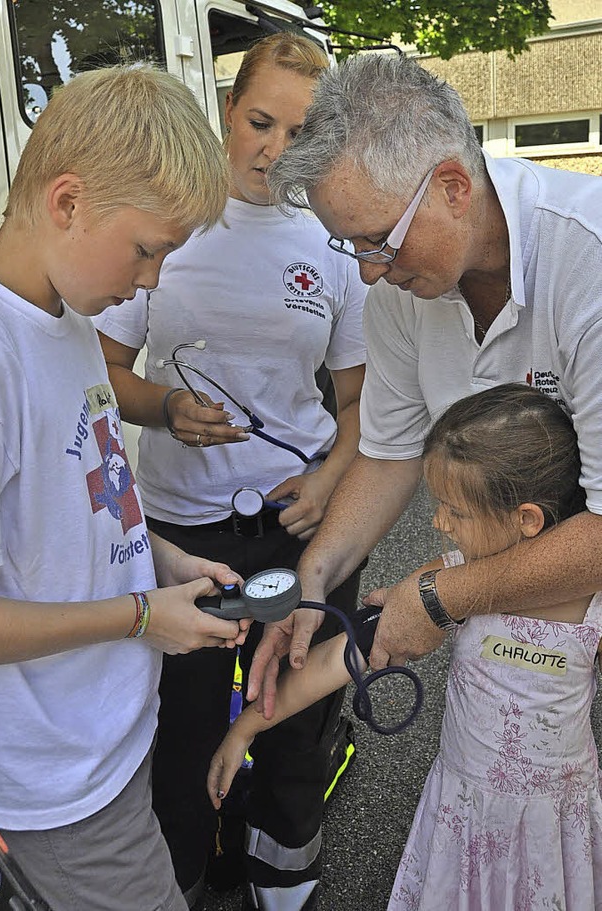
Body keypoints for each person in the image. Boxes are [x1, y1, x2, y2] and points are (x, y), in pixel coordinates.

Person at [0, 63, 253, 911]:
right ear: (67, 202)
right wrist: (137, 617)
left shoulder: (71, 328)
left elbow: (90, 503)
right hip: (54, 785)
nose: (152, 279)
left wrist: (163, 562)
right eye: (148, 248)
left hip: (108, 739)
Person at [94, 32, 367, 911]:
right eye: (258, 122)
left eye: (297, 132)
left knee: (292, 724)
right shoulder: (170, 217)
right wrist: (165, 407)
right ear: (225, 110)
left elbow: (372, 406)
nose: (274, 151)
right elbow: (104, 372)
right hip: (184, 528)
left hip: (301, 529)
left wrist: (328, 483)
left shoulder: (333, 235)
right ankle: (181, 881)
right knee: (181, 734)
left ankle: (282, 888)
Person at [247, 50, 602, 716]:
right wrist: (313, 578)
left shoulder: (589, 262)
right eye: (350, 245)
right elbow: (389, 453)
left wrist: (443, 594)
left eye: (378, 240)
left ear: (454, 187)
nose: (370, 272)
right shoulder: (401, 295)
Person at [210, 384, 602, 910]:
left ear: (526, 519)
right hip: (463, 805)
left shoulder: (591, 597)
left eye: (454, 510)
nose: (438, 522)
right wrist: (244, 729)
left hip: (559, 813)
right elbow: (337, 657)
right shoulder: (449, 582)